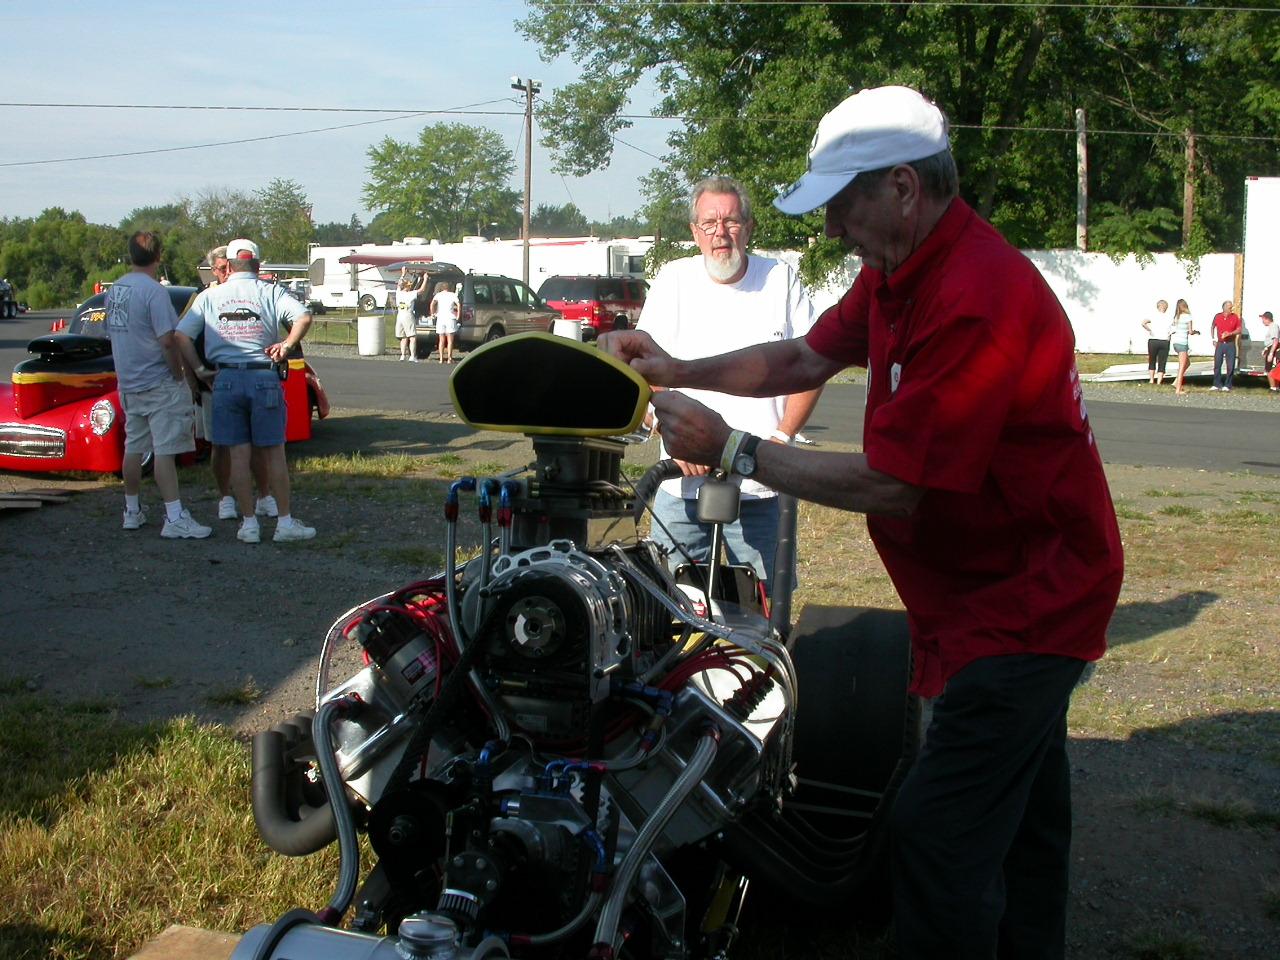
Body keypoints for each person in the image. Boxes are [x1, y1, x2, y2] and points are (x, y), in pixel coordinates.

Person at [600, 85, 1124, 959]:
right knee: (1024, 817)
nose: (834, 227)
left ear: (904, 188)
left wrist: (732, 450)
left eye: (843, 204)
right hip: (986, 590)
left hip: (1030, 602)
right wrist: (677, 364)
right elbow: (804, 356)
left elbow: (897, 485)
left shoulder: (975, 296)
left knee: (937, 833)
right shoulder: (898, 273)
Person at [636, 175, 820, 591]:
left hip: (761, 484)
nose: (720, 233)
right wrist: (670, 430)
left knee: (765, 606)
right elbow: (645, 369)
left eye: (731, 221)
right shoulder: (673, 281)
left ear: (748, 228)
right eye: (709, 223)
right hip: (681, 484)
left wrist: (782, 437)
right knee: (669, 602)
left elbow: (811, 366)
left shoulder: (780, 280)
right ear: (694, 232)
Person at [175, 238, 316, 544]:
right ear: (257, 264)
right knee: (274, 452)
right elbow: (303, 316)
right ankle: (284, 522)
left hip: (225, 377)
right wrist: (286, 345)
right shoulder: (270, 291)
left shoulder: (210, 296)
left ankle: (249, 523)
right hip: (262, 375)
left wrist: (199, 369)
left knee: (237, 454)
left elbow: (181, 335)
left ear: (229, 265)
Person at [105, 231, 211, 539]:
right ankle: (174, 515)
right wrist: (178, 374)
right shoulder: (154, 292)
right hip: (157, 380)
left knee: (134, 446)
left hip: (128, 381)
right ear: (158, 256)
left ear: (130, 256)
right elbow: (167, 340)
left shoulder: (115, 290)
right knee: (165, 449)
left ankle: (132, 510)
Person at [192, 245, 276, 522]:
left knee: (258, 443)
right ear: (214, 270)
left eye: (227, 267)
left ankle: (264, 495)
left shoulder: (252, 292)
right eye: (220, 269)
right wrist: (197, 374)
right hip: (214, 379)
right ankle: (225, 497)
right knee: (220, 444)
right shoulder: (204, 297)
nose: (225, 273)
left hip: (248, 375)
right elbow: (183, 337)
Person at [1210, 299, 1242, 391]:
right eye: (1229, 307)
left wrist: (1230, 333)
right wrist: (1213, 339)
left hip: (1230, 344)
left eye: (1231, 307)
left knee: (1230, 365)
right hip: (1220, 344)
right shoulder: (1218, 316)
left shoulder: (1234, 317)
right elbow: (1212, 326)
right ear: (1224, 308)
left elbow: (1239, 330)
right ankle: (1217, 384)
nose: (1231, 309)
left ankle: (1228, 385)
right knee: (1217, 364)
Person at [395, 269, 425, 361]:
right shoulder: (410, 294)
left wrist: (403, 274)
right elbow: (422, 290)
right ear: (407, 287)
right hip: (408, 315)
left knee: (403, 337)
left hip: (400, 316)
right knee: (412, 337)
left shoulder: (398, 293)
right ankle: (412, 356)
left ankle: (403, 355)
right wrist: (425, 279)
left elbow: (398, 285)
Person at [1169, 298, 1198, 396]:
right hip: (1182, 342)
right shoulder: (1188, 317)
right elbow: (1190, 331)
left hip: (1176, 342)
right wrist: (1195, 332)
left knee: (1187, 363)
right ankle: (1178, 389)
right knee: (1182, 366)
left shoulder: (1176, 317)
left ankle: (1176, 382)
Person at [1141, 299, 1171, 385]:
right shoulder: (1169, 317)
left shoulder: (1153, 315)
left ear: (1157, 307)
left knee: (1152, 359)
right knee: (1162, 361)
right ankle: (1159, 381)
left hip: (1153, 340)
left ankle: (1151, 379)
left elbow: (1143, 323)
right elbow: (1172, 330)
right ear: (1166, 307)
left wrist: (1149, 330)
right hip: (1164, 340)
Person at [431, 282, 460, 363]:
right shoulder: (453, 295)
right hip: (450, 318)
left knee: (441, 340)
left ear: (441, 288)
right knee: (450, 340)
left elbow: (432, 304)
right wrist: (458, 315)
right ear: (449, 288)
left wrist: (433, 313)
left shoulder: (438, 295)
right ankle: (449, 358)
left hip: (440, 318)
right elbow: (458, 305)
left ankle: (441, 358)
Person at [1258, 310, 1278, 392]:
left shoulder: (1273, 326)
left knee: (1270, 369)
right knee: (1270, 369)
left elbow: (1275, 341)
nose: (1262, 321)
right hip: (1270, 348)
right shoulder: (1271, 327)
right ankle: (1274, 387)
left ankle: (1273, 388)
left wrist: (1271, 353)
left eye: (1263, 319)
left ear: (1267, 319)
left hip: (1274, 350)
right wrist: (1266, 349)